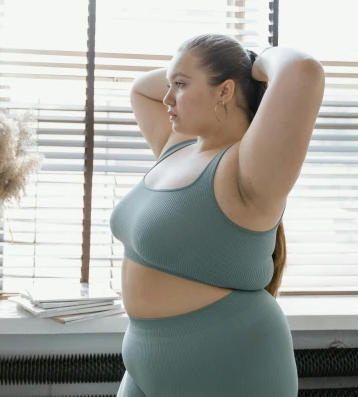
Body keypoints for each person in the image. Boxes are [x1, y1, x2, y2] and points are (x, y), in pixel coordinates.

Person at [110, 34, 325, 396]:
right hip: (144, 362)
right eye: (170, 84)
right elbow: (140, 90)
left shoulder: (249, 168)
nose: (167, 97)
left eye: (179, 85)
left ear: (224, 92)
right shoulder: (177, 147)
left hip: (230, 365)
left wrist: (254, 62)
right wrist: (198, 69)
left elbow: (303, 71)